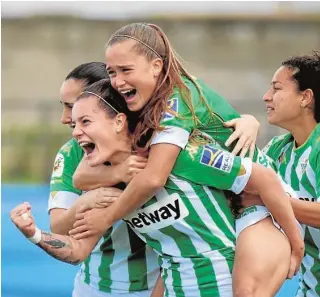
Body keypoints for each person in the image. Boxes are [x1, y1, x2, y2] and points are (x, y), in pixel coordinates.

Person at [69, 23, 304, 296]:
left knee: (245, 291)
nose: (118, 81)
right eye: (112, 72)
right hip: (232, 201)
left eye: (126, 70)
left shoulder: (174, 100)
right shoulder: (146, 105)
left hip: (262, 204)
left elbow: (155, 176)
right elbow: (80, 176)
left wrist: (106, 217)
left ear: (156, 66)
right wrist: (118, 172)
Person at [11, 79, 304, 297]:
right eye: (73, 124)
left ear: (119, 122)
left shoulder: (181, 156)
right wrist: (34, 234)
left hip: (225, 281)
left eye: (85, 121)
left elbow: (264, 179)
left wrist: (296, 245)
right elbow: (76, 250)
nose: (74, 132)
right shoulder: (111, 189)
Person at [48, 62, 160, 297]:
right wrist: (89, 199)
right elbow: (59, 228)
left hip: (157, 284)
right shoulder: (71, 153)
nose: (66, 118)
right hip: (94, 285)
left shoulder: (158, 147)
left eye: (73, 107)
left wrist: (246, 122)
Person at [225, 52, 320, 297]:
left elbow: (260, 195)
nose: (266, 97)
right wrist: (247, 123)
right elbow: (244, 184)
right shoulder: (278, 149)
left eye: (277, 88)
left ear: (305, 97)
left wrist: (269, 199)